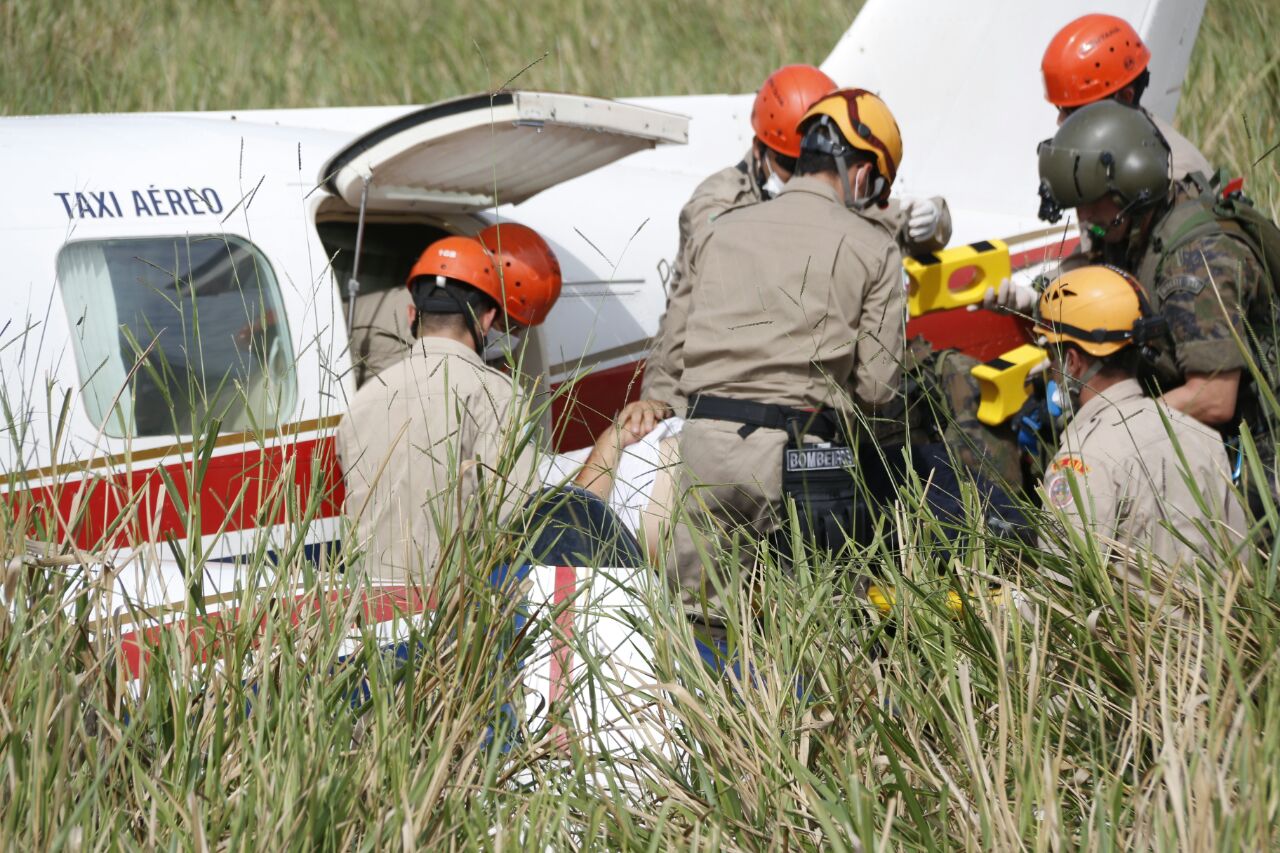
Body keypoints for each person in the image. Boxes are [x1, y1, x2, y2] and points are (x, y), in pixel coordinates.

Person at [663, 88, 907, 625]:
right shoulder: (875, 249)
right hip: (801, 456)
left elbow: (675, 348)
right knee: (812, 639)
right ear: (863, 173)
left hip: (702, 448)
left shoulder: (721, 230)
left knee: (698, 628)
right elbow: (878, 390)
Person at [337, 230, 645, 584]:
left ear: (412, 312)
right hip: (452, 608)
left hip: (371, 608)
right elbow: (522, 519)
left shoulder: (361, 401)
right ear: (486, 319)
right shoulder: (495, 394)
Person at [641, 64, 950, 415]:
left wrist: (933, 218)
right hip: (730, 392)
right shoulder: (717, 210)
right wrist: (658, 406)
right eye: (791, 162)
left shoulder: (828, 185)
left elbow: (888, 221)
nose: (802, 172)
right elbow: (679, 324)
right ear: (761, 149)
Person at [1036, 100, 1280, 512]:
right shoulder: (1138, 231)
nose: (1083, 215)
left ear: (1128, 189)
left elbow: (1214, 397)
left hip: (1252, 457)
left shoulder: (1198, 259)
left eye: (1092, 202)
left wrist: (1114, 424)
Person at [1033, 264, 1244, 569]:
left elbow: (1060, 595)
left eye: (1053, 353)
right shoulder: (1202, 435)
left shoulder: (1082, 460)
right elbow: (1242, 566)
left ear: (1073, 362)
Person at [1041, 13, 1212, 182]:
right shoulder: (1100, 154)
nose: (1061, 121)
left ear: (1125, 97)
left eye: (1074, 111)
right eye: (1060, 108)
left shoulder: (1171, 175)